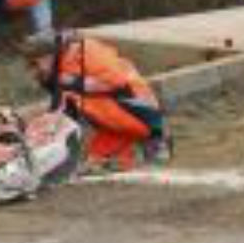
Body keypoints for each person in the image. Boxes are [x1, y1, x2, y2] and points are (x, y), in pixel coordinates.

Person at [30, 31, 169, 172]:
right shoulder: (64, 64)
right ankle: (129, 144)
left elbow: (116, 82)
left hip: (141, 110)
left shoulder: (85, 53)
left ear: (49, 56)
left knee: (75, 99)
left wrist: (75, 83)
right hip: (122, 112)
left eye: (36, 62)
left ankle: (154, 137)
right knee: (94, 159)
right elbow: (60, 108)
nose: (35, 70)